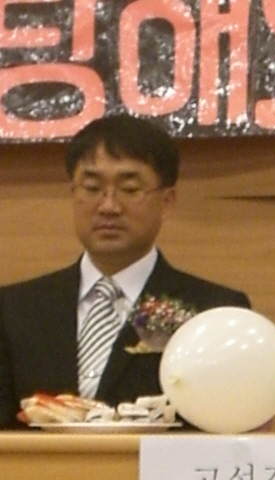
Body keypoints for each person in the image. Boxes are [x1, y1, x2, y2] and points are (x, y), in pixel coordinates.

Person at [0, 114, 250, 428]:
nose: (108, 206)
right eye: (92, 188)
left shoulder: (214, 313)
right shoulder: (13, 310)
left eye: (129, 189)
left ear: (167, 202)